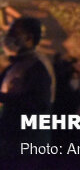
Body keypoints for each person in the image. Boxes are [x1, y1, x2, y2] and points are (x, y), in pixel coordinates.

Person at [0, 17, 52, 163]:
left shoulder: (37, 68)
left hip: (28, 145)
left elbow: (38, 104)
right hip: (9, 142)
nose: (9, 36)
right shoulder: (14, 66)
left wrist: (6, 99)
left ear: (29, 38)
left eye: (14, 32)